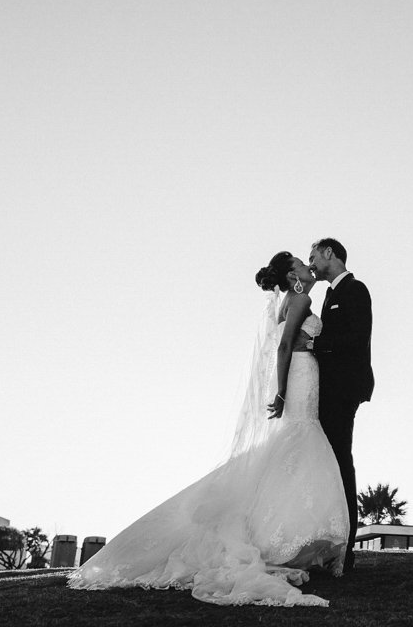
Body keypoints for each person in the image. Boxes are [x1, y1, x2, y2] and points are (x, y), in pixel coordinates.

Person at [67, 252, 349, 607]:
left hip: (301, 374)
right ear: (292, 274)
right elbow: (282, 345)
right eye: (299, 261)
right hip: (299, 377)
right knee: (303, 439)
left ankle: (293, 539)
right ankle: (292, 539)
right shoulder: (302, 298)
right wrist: (279, 390)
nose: (306, 265)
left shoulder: (285, 303)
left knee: (293, 449)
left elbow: (284, 341)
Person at [307, 237, 373, 573]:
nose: (311, 263)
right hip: (329, 389)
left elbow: (356, 338)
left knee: (340, 463)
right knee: (330, 463)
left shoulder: (355, 289)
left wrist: (317, 344)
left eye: (313, 256)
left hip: (345, 389)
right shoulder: (328, 294)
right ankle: (332, 542)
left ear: (329, 253)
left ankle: (346, 548)